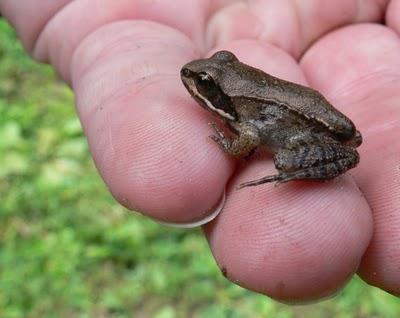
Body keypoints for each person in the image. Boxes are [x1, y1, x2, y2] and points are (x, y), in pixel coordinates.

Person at [1, 0, 399, 302]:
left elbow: (248, 139)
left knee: (283, 158)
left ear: (223, 90)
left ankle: (289, 171)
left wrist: (228, 144)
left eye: (206, 81)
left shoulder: (242, 115)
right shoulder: (235, 86)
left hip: (322, 132)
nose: (196, 78)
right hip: (318, 113)